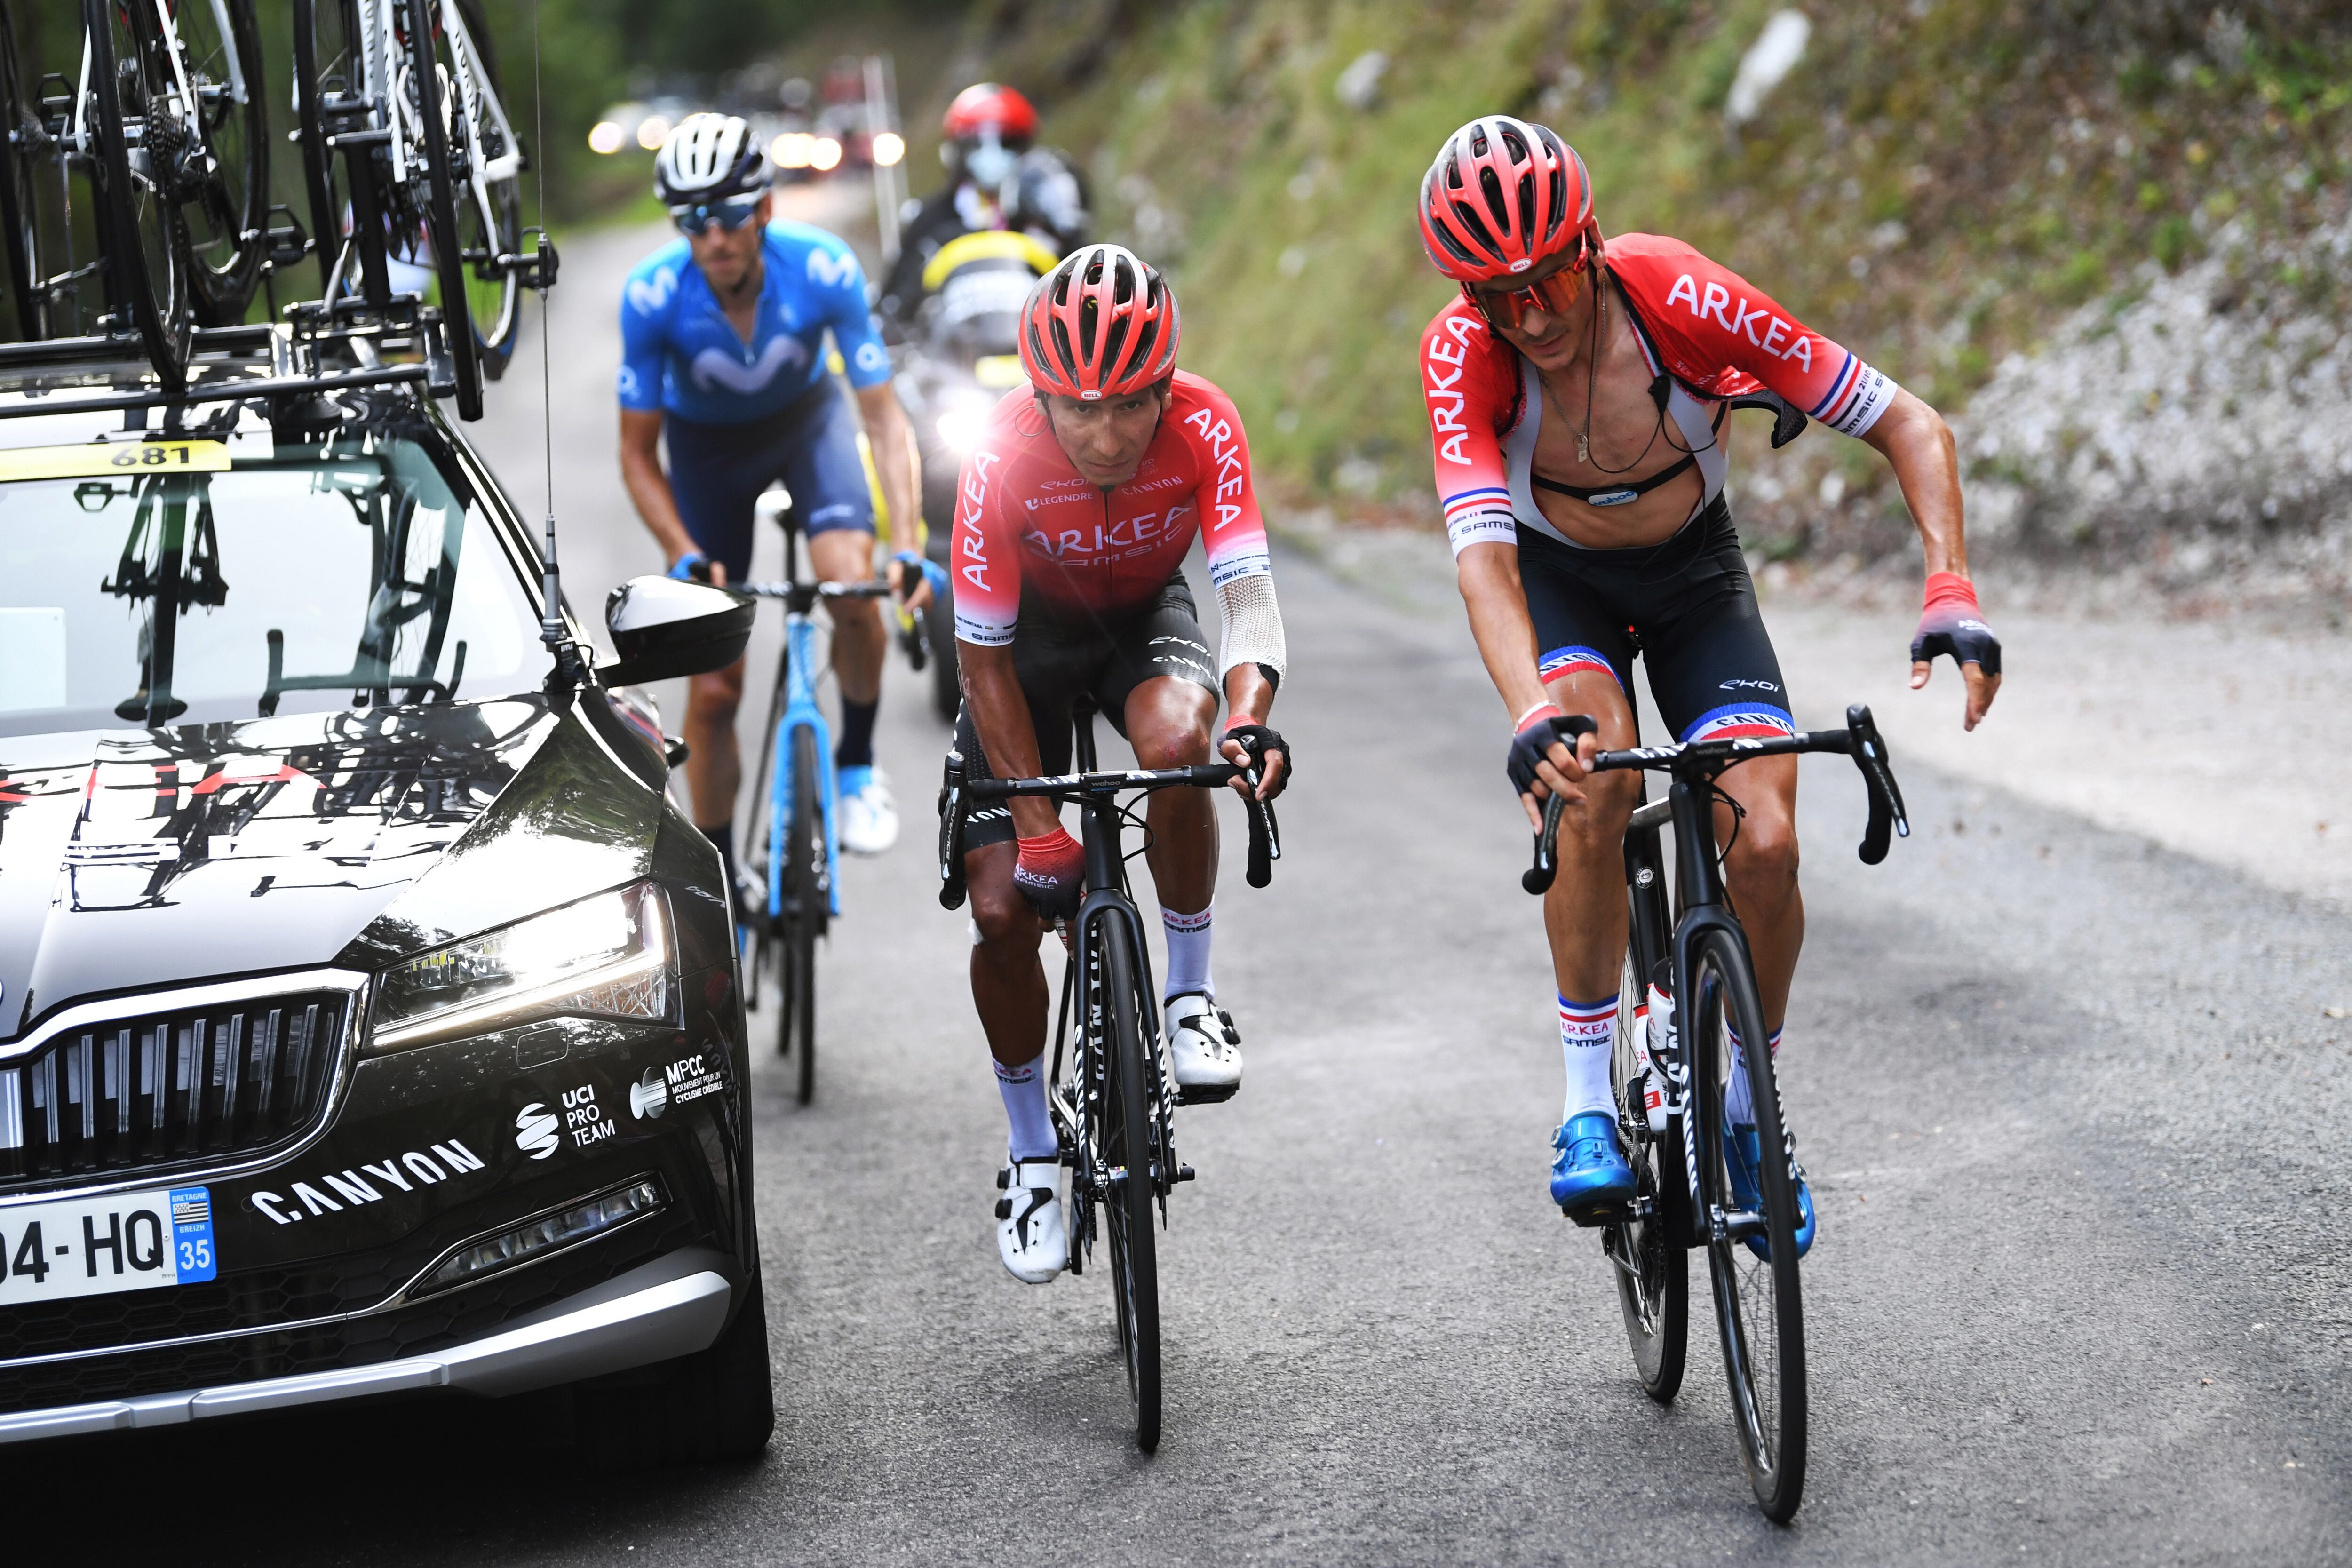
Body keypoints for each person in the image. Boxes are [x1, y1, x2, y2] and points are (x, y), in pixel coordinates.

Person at [1414, 116, 2002, 1251]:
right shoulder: (1461, 354)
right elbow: (1483, 561)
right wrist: (1529, 713)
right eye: (1497, 297)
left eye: (1547, 282)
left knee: (1766, 841)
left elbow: (1907, 422)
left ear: (1587, 244)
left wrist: (1949, 587)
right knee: (1590, 777)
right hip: (1559, 584)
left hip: (1696, 579)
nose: (1529, 317)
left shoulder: (1679, 294)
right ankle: (1586, 1101)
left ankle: (1745, 1109)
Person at [950, 244, 1292, 1284]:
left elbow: (1247, 596)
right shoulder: (997, 454)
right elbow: (980, 659)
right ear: (1040, 396)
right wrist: (1041, 831)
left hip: (1144, 618)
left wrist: (1249, 718)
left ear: (1166, 387)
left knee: (1182, 749)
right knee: (1003, 911)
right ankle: (1032, 1152)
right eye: (1080, 409)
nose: (1107, 438)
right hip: (1022, 652)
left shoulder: (1208, 422)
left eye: (1133, 405)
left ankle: (1188, 993)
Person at [618, 114, 928, 893]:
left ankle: (856, 767)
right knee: (715, 686)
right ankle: (721, 876)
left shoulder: (823, 267)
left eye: (729, 215)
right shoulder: (652, 295)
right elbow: (637, 455)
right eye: (693, 221)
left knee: (850, 585)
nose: (714, 236)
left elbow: (884, 420)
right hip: (706, 454)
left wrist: (907, 541)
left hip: (807, 428)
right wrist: (683, 549)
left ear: (763, 208)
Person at [876, 82, 1089, 328]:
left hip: (1034, 340)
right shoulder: (928, 220)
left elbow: (1080, 285)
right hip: (951, 347)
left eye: (1006, 142)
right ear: (957, 150)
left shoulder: (1044, 214)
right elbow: (894, 305)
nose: (993, 154)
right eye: (978, 144)